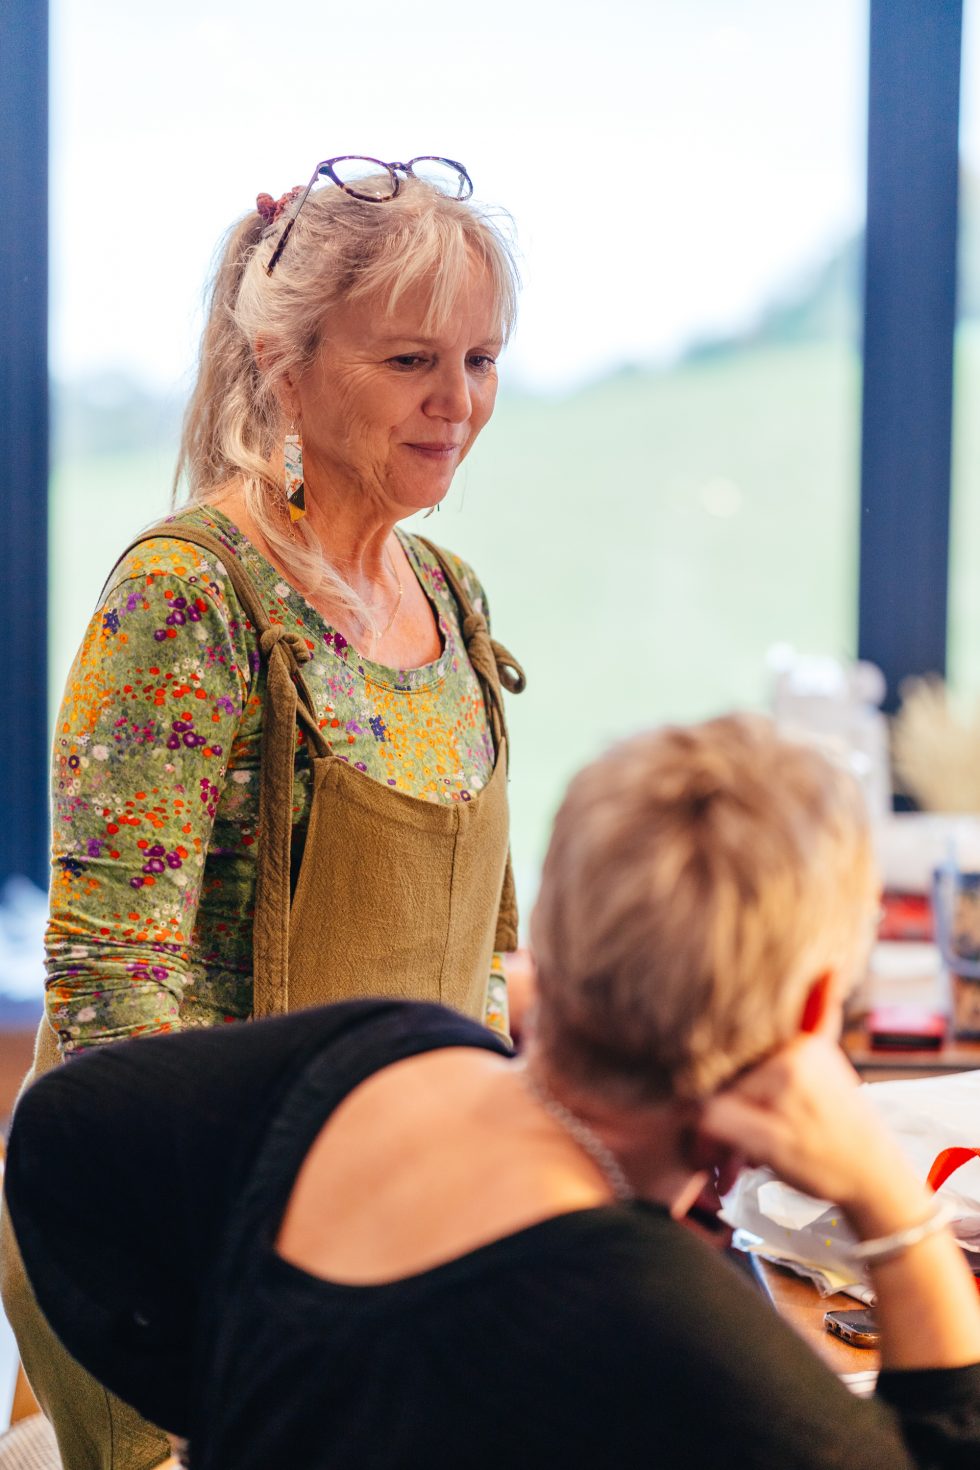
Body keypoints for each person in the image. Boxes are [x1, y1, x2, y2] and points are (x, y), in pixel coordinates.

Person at [7, 714, 980, 1469]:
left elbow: (59, 1131)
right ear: (810, 1010)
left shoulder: (380, 1048)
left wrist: (226, 1410)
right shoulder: (659, 1315)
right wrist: (888, 1204)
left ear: (547, 938)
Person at [1, 154, 526, 1470]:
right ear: (284, 367)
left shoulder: (450, 596)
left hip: (390, 1220)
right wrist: (277, 1270)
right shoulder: (190, 597)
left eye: (480, 359)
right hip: (175, 1249)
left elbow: (479, 955)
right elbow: (112, 995)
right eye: (410, 360)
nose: (457, 402)